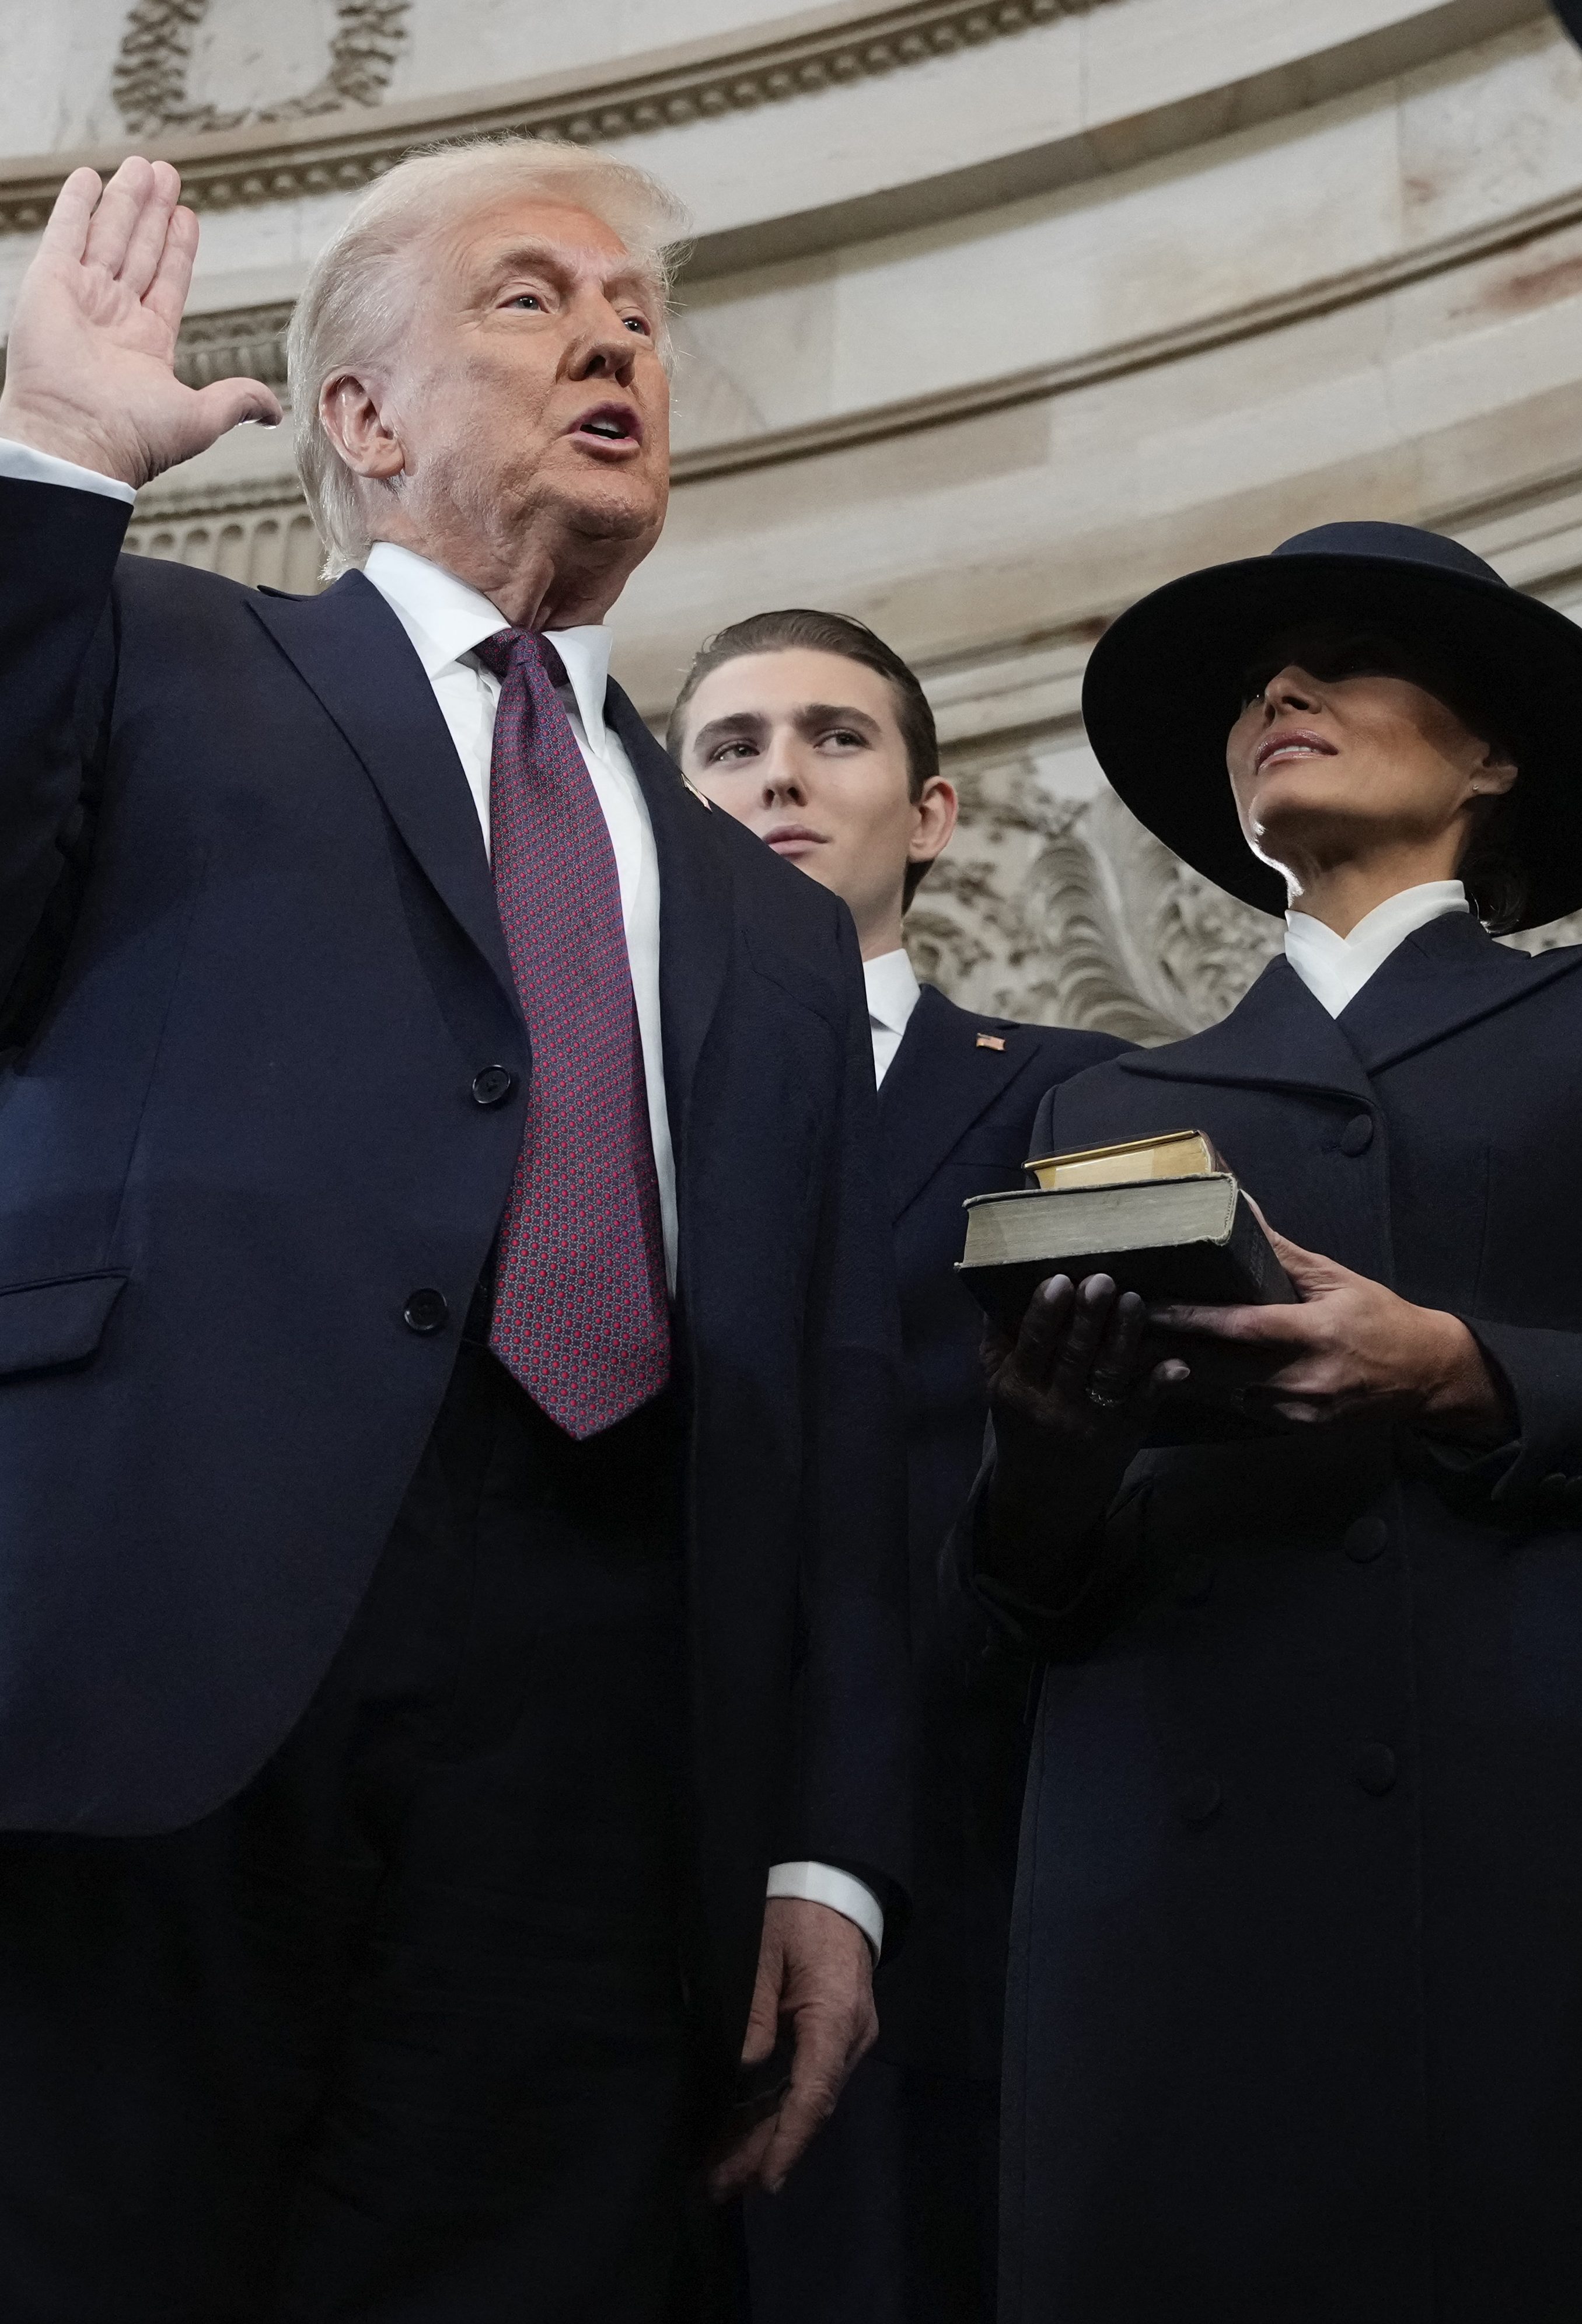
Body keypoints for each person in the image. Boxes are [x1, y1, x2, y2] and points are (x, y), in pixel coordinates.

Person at [0, 141, 911, 2320]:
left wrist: (825, 1846)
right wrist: (47, 466)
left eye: (638, 317)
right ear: (363, 415)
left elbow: (833, 1401)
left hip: (609, 1731)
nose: (614, 340)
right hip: (159, 1659)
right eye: (531, 298)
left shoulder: (780, 925)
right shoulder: (149, 651)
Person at [966, 519, 1582, 2323]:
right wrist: (1049, 1459)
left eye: (1347, 657)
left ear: (1493, 755)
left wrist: (1460, 1367)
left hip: (1519, 1843)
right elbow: (1011, 1587)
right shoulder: (1106, 1105)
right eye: (1255, 682)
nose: (1282, 690)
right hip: (1180, 1870)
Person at [669, 609, 1127, 2323]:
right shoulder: (575, 1110)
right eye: (731, 748)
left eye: (835, 736)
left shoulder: (1075, 1096)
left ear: (933, 815)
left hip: (968, 1826)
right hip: (628, 1826)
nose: (781, 776)